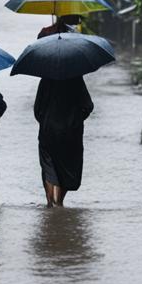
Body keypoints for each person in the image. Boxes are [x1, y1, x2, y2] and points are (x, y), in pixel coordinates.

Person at [33, 75, 94, 206]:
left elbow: (37, 109)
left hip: (48, 131)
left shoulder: (45, 79)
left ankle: (50, 202)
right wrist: (76, 120)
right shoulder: (76, 79)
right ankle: (59, 202)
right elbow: (88, 106)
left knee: (48, 166)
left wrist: (45, 122)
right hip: (71, 132)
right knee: (67, 167)